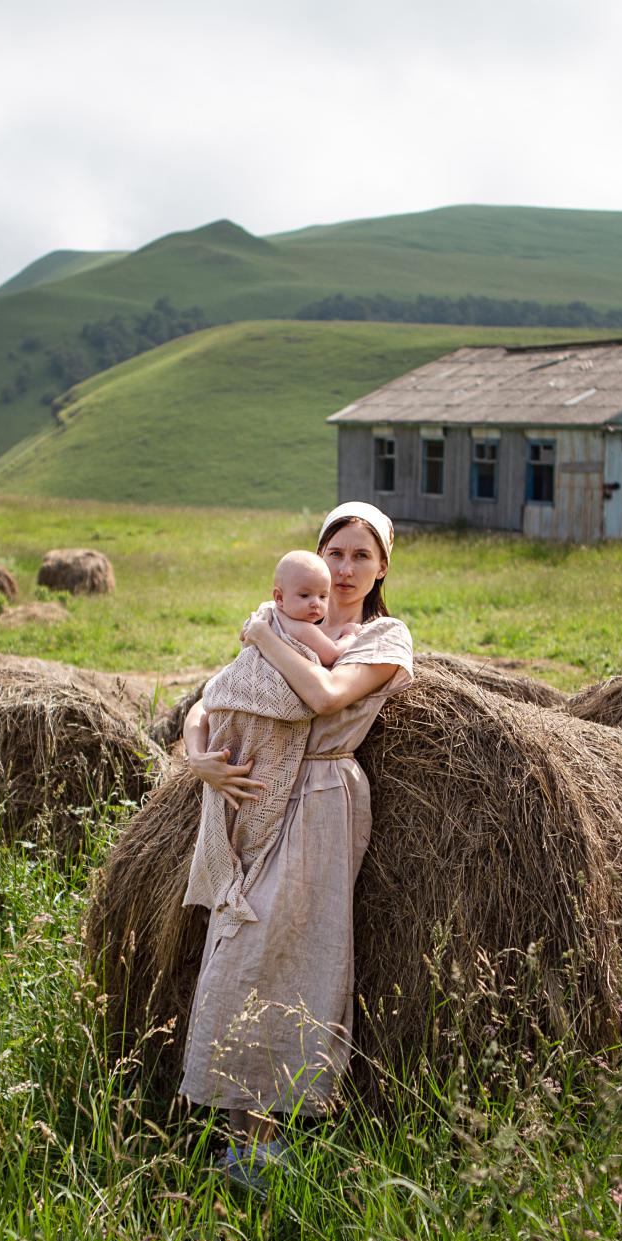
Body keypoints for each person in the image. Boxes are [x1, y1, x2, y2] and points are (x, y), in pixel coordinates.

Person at [178, 501, 414, 1189]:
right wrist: (198, 757)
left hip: (315, 803)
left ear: (381, 569)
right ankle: (232, 1138)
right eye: (334, 553)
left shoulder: (385, 638)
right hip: (249, 801)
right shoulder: (288, 616)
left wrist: (265, 630)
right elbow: (213, 698)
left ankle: (264, 1143)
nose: (343, 570)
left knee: (285, 958)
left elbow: (324, 696)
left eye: (360, 557)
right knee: (233, 947)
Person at [269, 550, 358, 667]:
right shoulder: (303, 629)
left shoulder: (267, 615)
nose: (316, 603)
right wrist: (349, 636)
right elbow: (333, 654)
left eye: (322, 596)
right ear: (279, 598)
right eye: (304, 595)